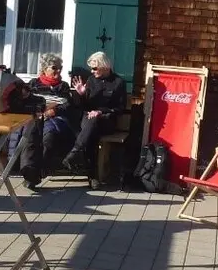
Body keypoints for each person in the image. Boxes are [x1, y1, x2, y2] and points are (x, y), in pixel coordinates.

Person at [8, 53, 77, 188]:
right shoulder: (33, 84)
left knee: (48, 137)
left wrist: (54, 110)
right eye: (54, 68)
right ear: (44, 69)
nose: (58, 70)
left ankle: (37, 173)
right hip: (36, 118)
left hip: (55, 119)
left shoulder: (63, 86)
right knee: (30, 135)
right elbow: (25, 101)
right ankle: (29, 173)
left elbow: (67, 105)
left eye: (60, 68)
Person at [62, 51, 128, 184]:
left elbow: (119, 108)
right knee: (91, 130)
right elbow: (85, 106)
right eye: (91, 68)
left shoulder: (118, 82)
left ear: (105, 66)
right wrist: (82, 94)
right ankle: (91, 174)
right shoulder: (92, 80)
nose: (92, 71)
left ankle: (80, 158)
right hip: (89, 121)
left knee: (91, 126)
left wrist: (100, 112)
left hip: (107, 121)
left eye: (95, 68)